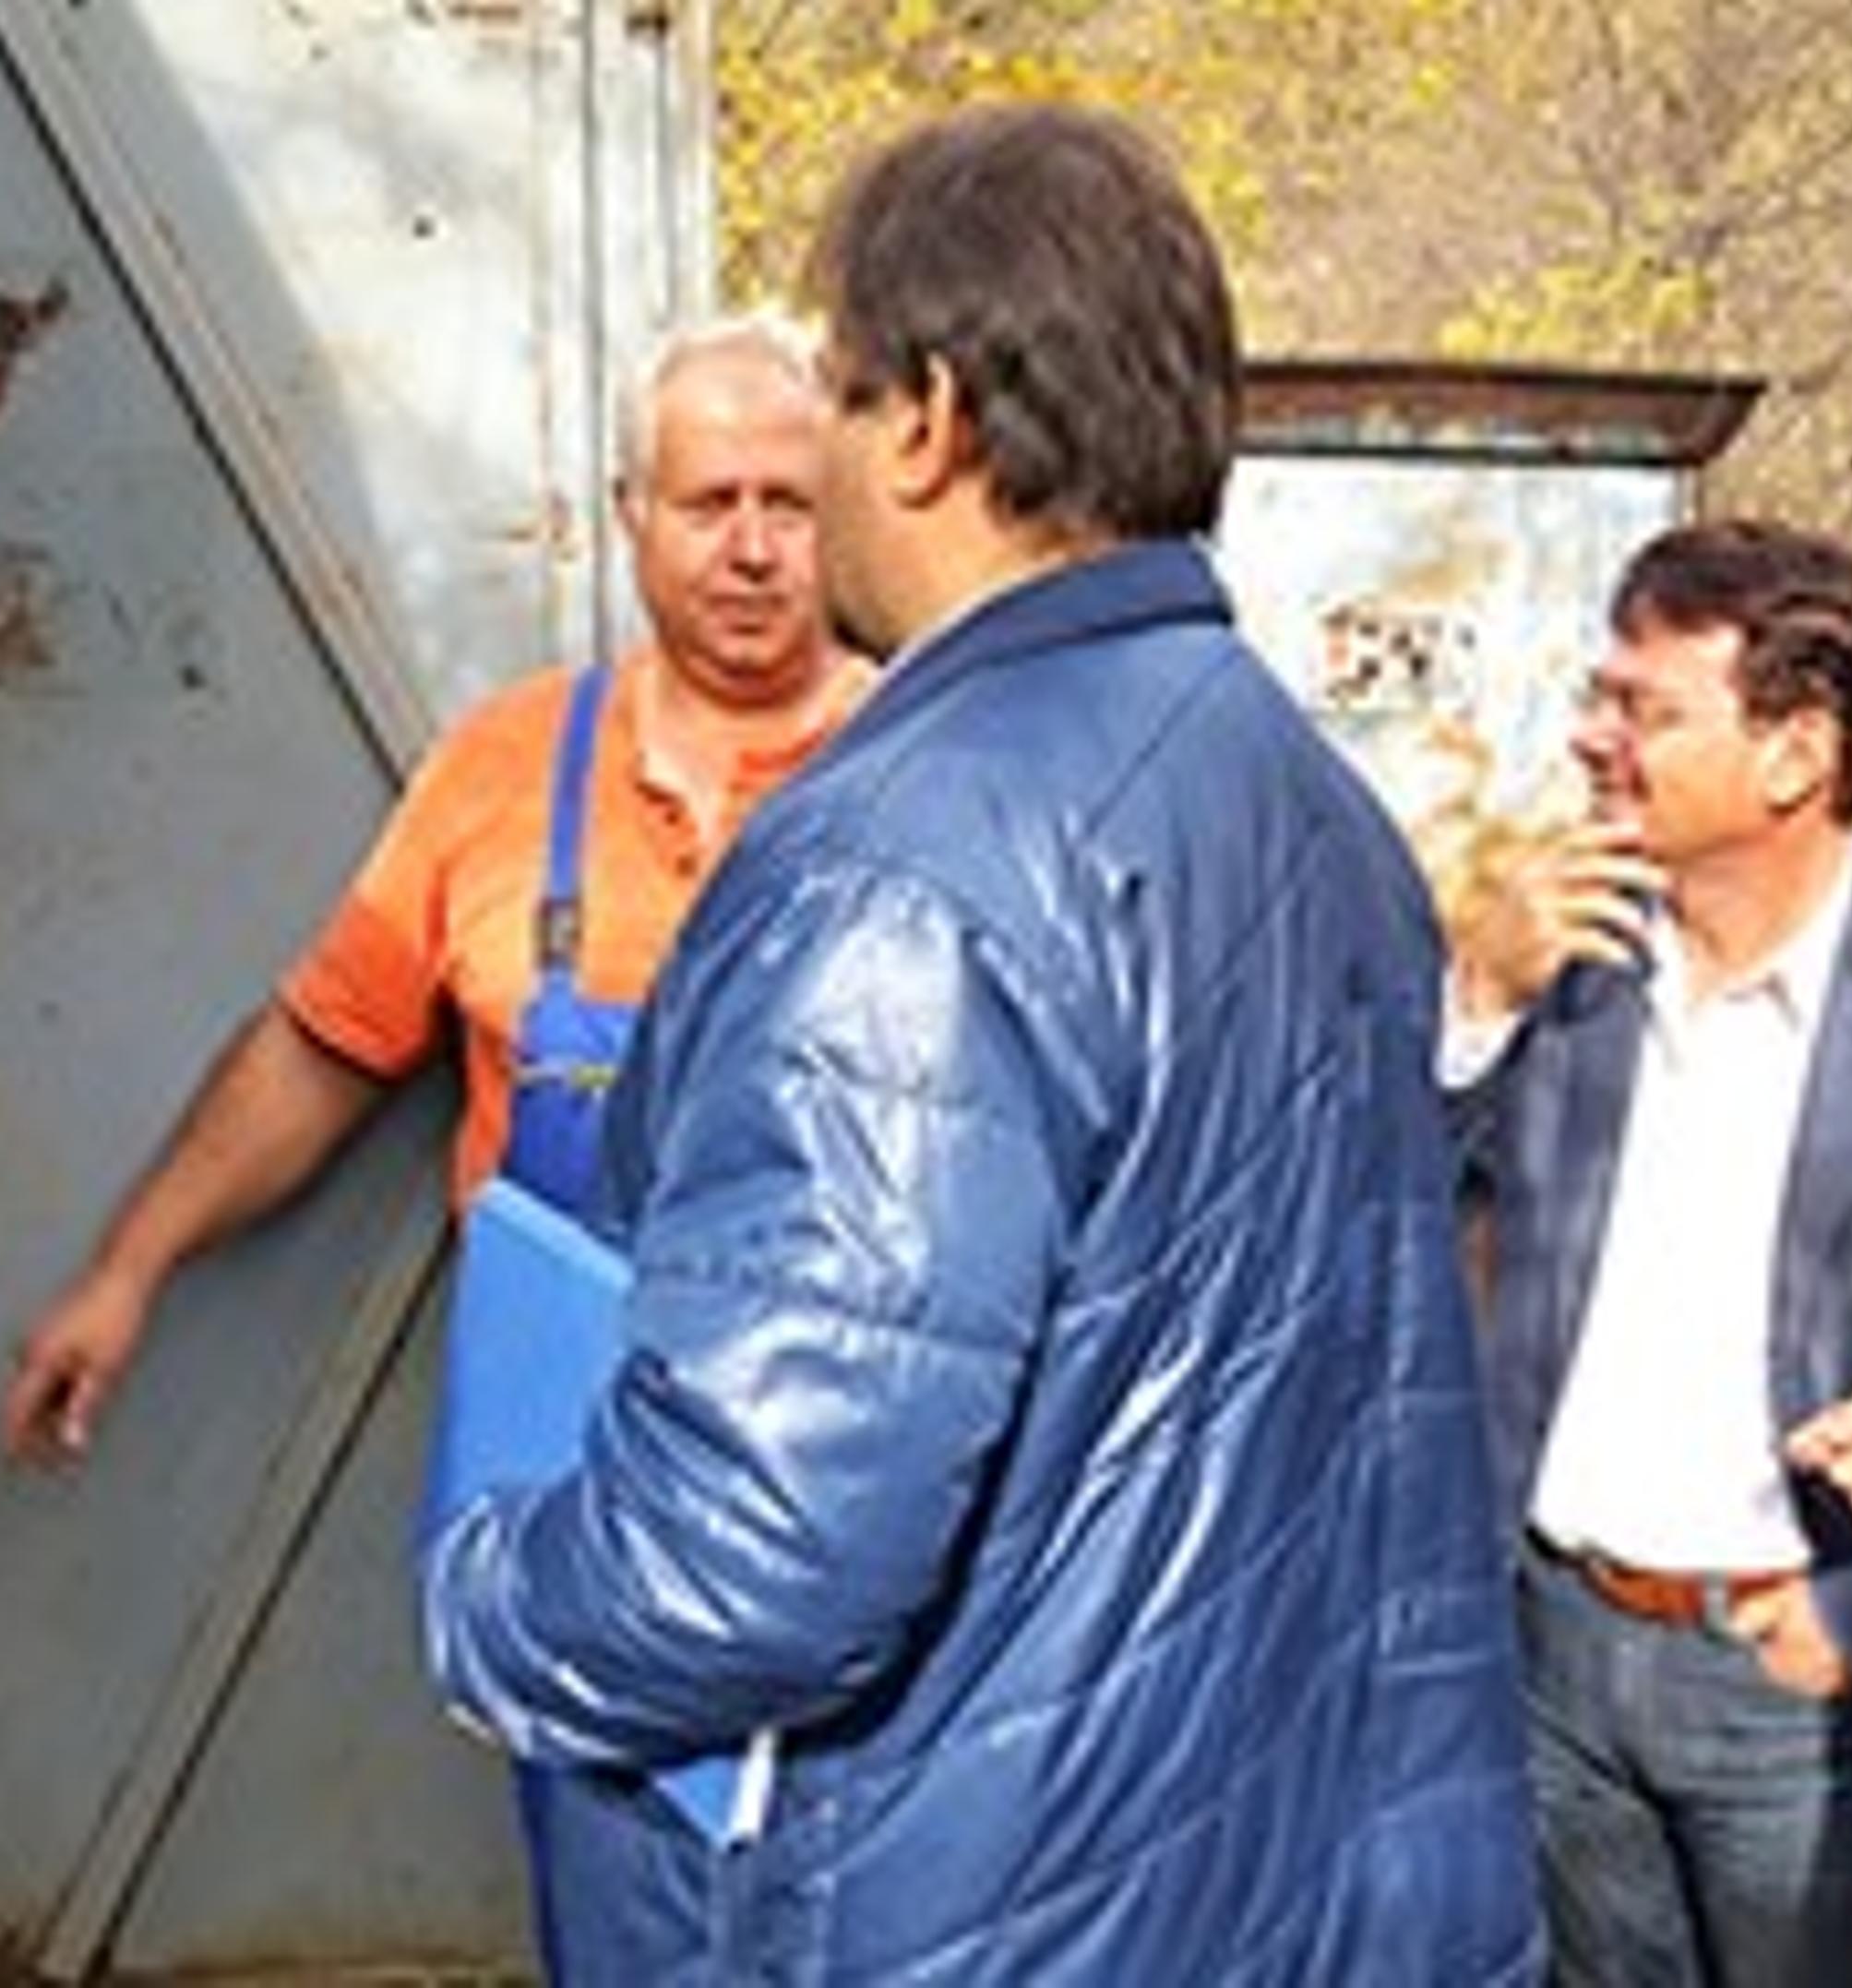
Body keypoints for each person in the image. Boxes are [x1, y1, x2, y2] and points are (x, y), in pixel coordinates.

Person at [417, 103, 1541, 1983]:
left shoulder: (901, 867)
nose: (817, 475)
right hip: (1309, 1886)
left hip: (990, 1911)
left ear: (929, 419)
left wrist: (490, 1587)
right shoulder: (1311, 803)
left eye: (837, 408)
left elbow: (755, 1548)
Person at [1, 314, 864, 1466]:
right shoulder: (505, 765)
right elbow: (322, 1049)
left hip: (837, 1461)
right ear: (632, 515)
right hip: (555, 1450)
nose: (753, 549)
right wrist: (129, 1269)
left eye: (790, 504)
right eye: (711, 504)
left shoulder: (926, 769)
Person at [1444, 519, 1852, 1985]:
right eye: (1602, 696)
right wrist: (1473, 1002)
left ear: (1797, 750)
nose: (1595, 739)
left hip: (1798, 1689)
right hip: (1553, 1658)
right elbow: (1398, 1230)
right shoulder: (1559, 959)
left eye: (1646, 708)